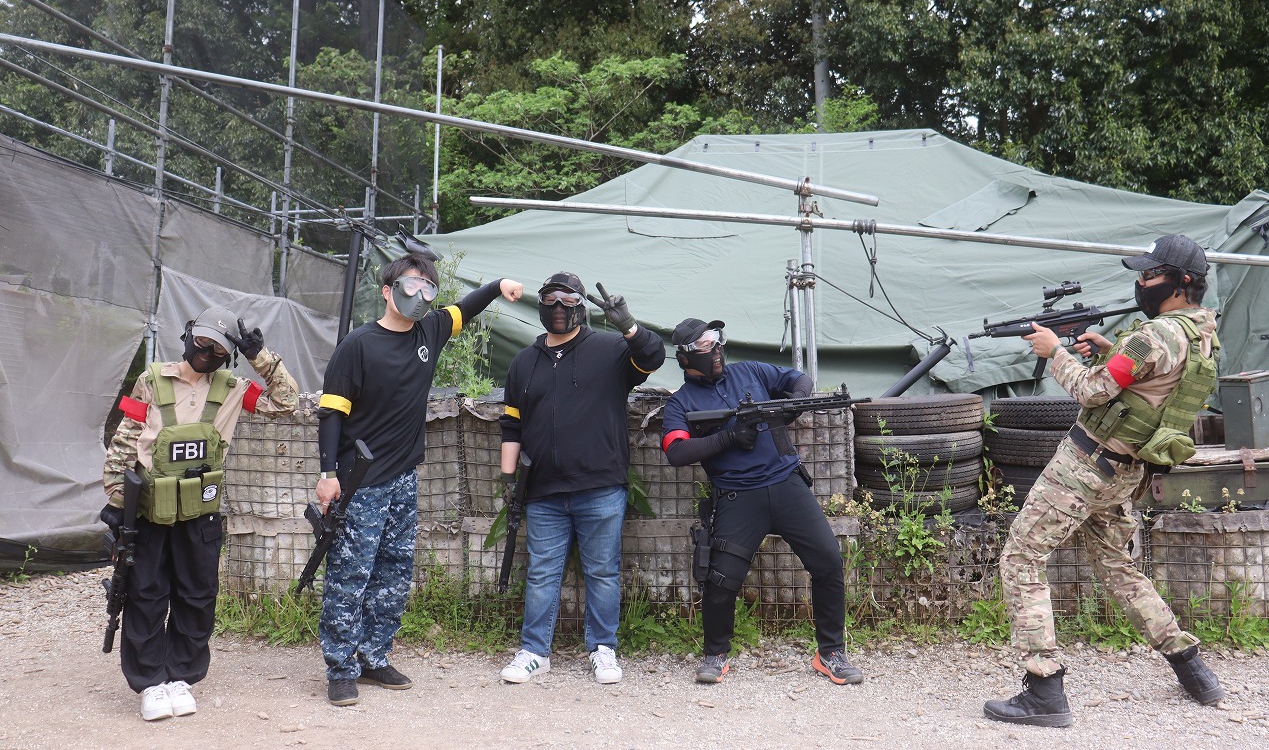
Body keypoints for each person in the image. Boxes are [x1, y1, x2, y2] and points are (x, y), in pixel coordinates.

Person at [984, 234, 1225, 728]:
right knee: (1119, 568)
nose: (1141, 283)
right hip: (1126, 472)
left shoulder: (1154, 335)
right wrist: (1112, 348)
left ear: (1180, 283)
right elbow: (1157, 382)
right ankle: (1192, 669)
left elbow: (1093, 392)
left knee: (1022, 556)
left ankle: (1043, 688)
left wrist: (1055, 352)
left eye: (1150, 275)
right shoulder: (1201, 332)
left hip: (1086, 466)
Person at [315, 252, 522, 706]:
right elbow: (331, 413)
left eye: (428, 288)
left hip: (404, 478)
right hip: (359, 482)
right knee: (350, 576)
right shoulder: (358, 345)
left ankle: (374, 656)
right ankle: (341, 668)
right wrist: (328, 474)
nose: (420, 296)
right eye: (411, 286)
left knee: (393, 574)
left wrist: (499, 282)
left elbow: (467, 308)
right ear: (387, 292)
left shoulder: (430, 332)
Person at [102, 307, 299, 721]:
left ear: (229, 354)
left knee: (196, 594)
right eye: (202, 341)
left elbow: (286, 402)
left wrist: (261, 357)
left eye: (218, 348)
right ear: (189, 335)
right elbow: (125, 439)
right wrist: (117, 502)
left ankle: (181, 677)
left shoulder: (233, 388)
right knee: (146, 594)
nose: (206, 352)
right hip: (150, 512)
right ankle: (150, 683)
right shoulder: (151, 380)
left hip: (200, 513)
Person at [659, 318, 861, 686]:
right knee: (721, 580)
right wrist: (729, 438)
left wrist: (790, 406)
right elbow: (676, 451)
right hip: (737, 497)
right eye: (705, 345)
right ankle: (715, 654)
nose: (716, 348)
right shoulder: (681, 403)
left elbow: (799, 380)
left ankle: (830, 652)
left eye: (716, 340)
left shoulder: (750, 371)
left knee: (829, 562)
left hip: (787, 485)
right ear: (685, 357)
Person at [497, 272, 665, 685]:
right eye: (550, 300)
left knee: (603, 572)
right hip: (542, 491)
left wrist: (627, 325)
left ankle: (603, 649)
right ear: (540, 305)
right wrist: (507, 479)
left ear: (581, 305)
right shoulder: (524, 362)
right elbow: (511, 426)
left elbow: (654, 358)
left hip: (601, 485)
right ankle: (535, 652)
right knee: (540, 573)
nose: (558, 307)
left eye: (567, 300)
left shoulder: (610, 349)